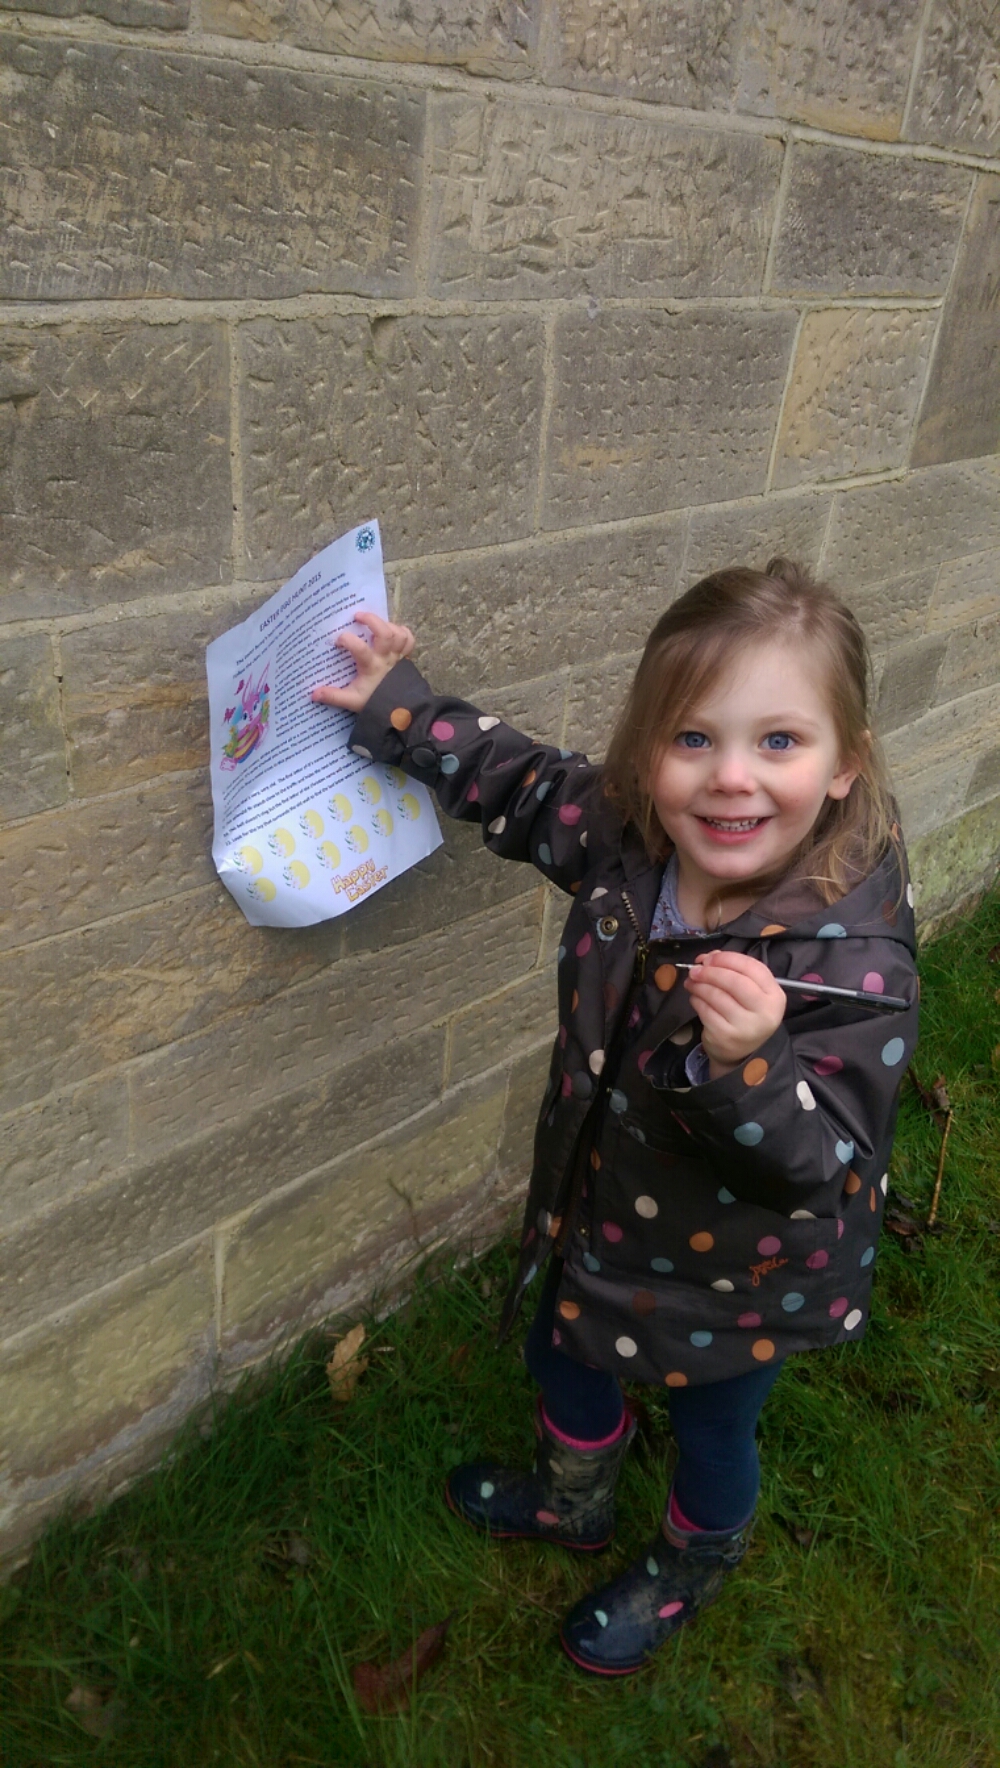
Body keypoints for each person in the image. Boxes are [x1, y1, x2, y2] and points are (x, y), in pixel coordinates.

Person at [311, 559, 919, 1677]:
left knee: (714, 1428)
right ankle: (573, 1495)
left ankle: (695, 1556)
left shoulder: (854, 966)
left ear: (845, 765)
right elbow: (525, 784)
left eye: (779, 741)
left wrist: (751, 1065)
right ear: (645, 753)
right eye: (693, 737)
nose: (730, 777)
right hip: (597, 1208)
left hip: (748, 1274)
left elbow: (825, 1165)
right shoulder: (636, 840)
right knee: (562, 1351)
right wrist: (401, 708)